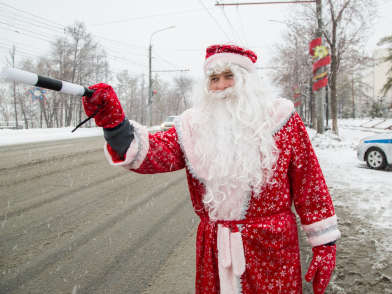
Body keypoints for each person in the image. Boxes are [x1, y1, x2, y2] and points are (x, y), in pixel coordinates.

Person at [82, 44, 341, 294]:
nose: (221, 86)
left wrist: (324, 243)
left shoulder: (282, 121)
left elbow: (309, 182)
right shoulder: (194, 127)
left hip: (271, 248)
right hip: (216, 249)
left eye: (229, 76)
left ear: (247, 80)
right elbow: (153, 154)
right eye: (214, 79)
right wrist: (115, 125)